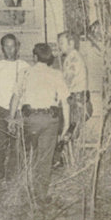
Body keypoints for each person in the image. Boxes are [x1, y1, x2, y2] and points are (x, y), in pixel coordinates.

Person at [9, 43, 70, 203]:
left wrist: (11, 118)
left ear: (34, 57)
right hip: (50, 120)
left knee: (27, 154)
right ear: (49, 58)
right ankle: (41, 195)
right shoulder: (56, 74)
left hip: (30, 119)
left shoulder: (25, 73)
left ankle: (24, 190)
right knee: (45, 158)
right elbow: (65, 102)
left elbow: (15, 97)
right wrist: (66, 125)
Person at [0, 34, 30, 179]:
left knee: (17, 143)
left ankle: (13, 175)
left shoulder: (24, 65)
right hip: (1, 109)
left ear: (17, 47)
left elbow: (29, 87)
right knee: (1, 141)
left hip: (18, 110)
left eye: (12, 46)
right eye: (6, 46)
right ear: (2, 48)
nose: (10, 50)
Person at [53, 31, 90, 168]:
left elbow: (66, 82)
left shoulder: (73, 59)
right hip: (77, 99)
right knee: (69, 132)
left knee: (68, 131)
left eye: (61, 43)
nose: (59, 46)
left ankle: (68, 163)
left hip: (75, 101)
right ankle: (68, 162)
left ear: (71, 43)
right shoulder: (72, 57)